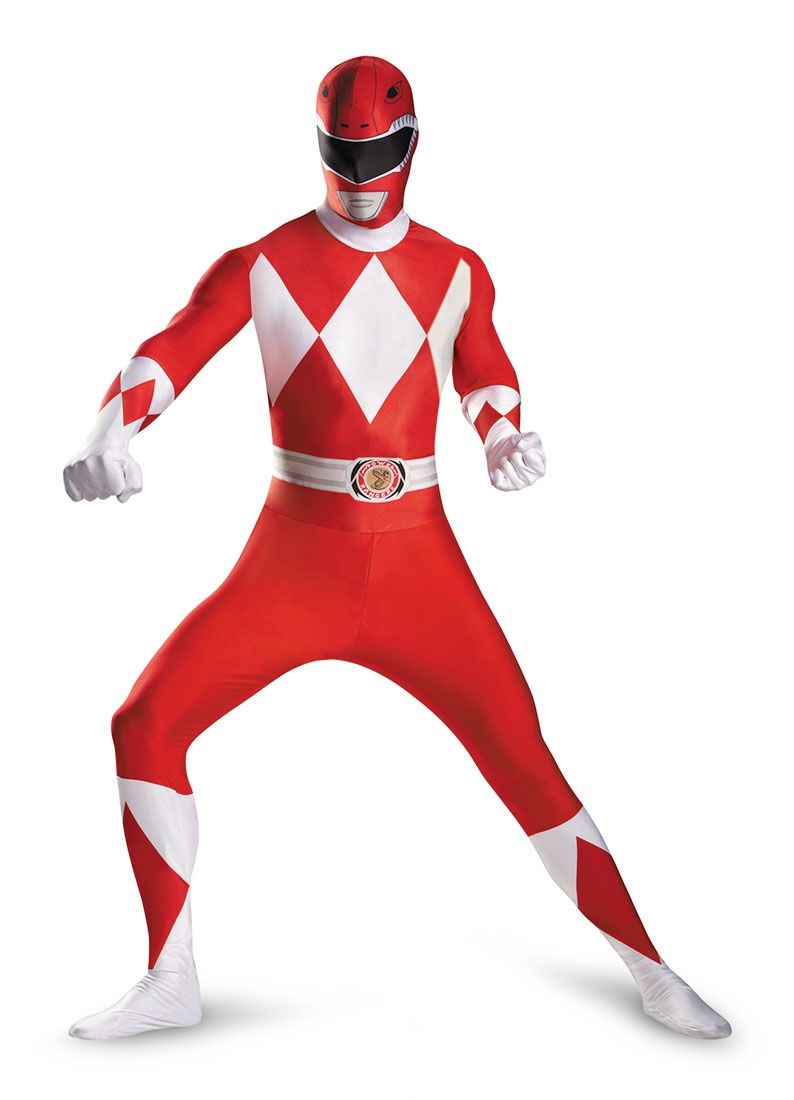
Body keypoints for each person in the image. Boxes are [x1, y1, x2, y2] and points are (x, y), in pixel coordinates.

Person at [64, 55, 731, 1041]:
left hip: (418, 560)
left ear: (411, 145)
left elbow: (484, 368)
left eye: (375, 154)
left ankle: (652, 967)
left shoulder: (456, 268)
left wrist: (502, 434)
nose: (359, 175)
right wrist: (107, 433)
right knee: (145, 723)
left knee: (521, 754)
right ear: (318, 146)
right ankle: (170, 974)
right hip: (294, 559)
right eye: (342, 154)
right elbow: (171, 350)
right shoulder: (261, 263)